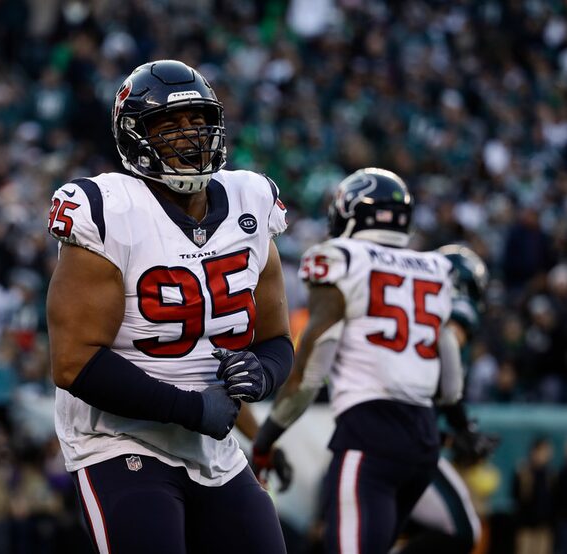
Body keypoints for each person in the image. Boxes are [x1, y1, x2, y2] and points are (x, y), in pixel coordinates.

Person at [46, 59, 293, 554]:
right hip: (119, 442)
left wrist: (262, 373)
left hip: (213, 448)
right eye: (168, 125)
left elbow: (276, 339)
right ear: (135, 136)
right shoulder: (107, 209)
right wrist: (191, 406)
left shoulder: (251, 200)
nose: (189, 136)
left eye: (197, 121)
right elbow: (73, 364)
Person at [252, 168, 463, 553]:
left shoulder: (341, 257)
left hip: (369, 435)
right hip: (424, 441)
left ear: (350, 212)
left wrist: (265, 441)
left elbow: (313, 368)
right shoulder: (437, 267)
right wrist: (462, 422)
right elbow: (449, 375)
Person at [403, 244, 500, 553]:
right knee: (462, 531)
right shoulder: (456, 312)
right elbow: (443, 380)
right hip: (407, 442)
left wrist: (449, 435)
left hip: (382, 427)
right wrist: (463, 427)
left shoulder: (406, 307)